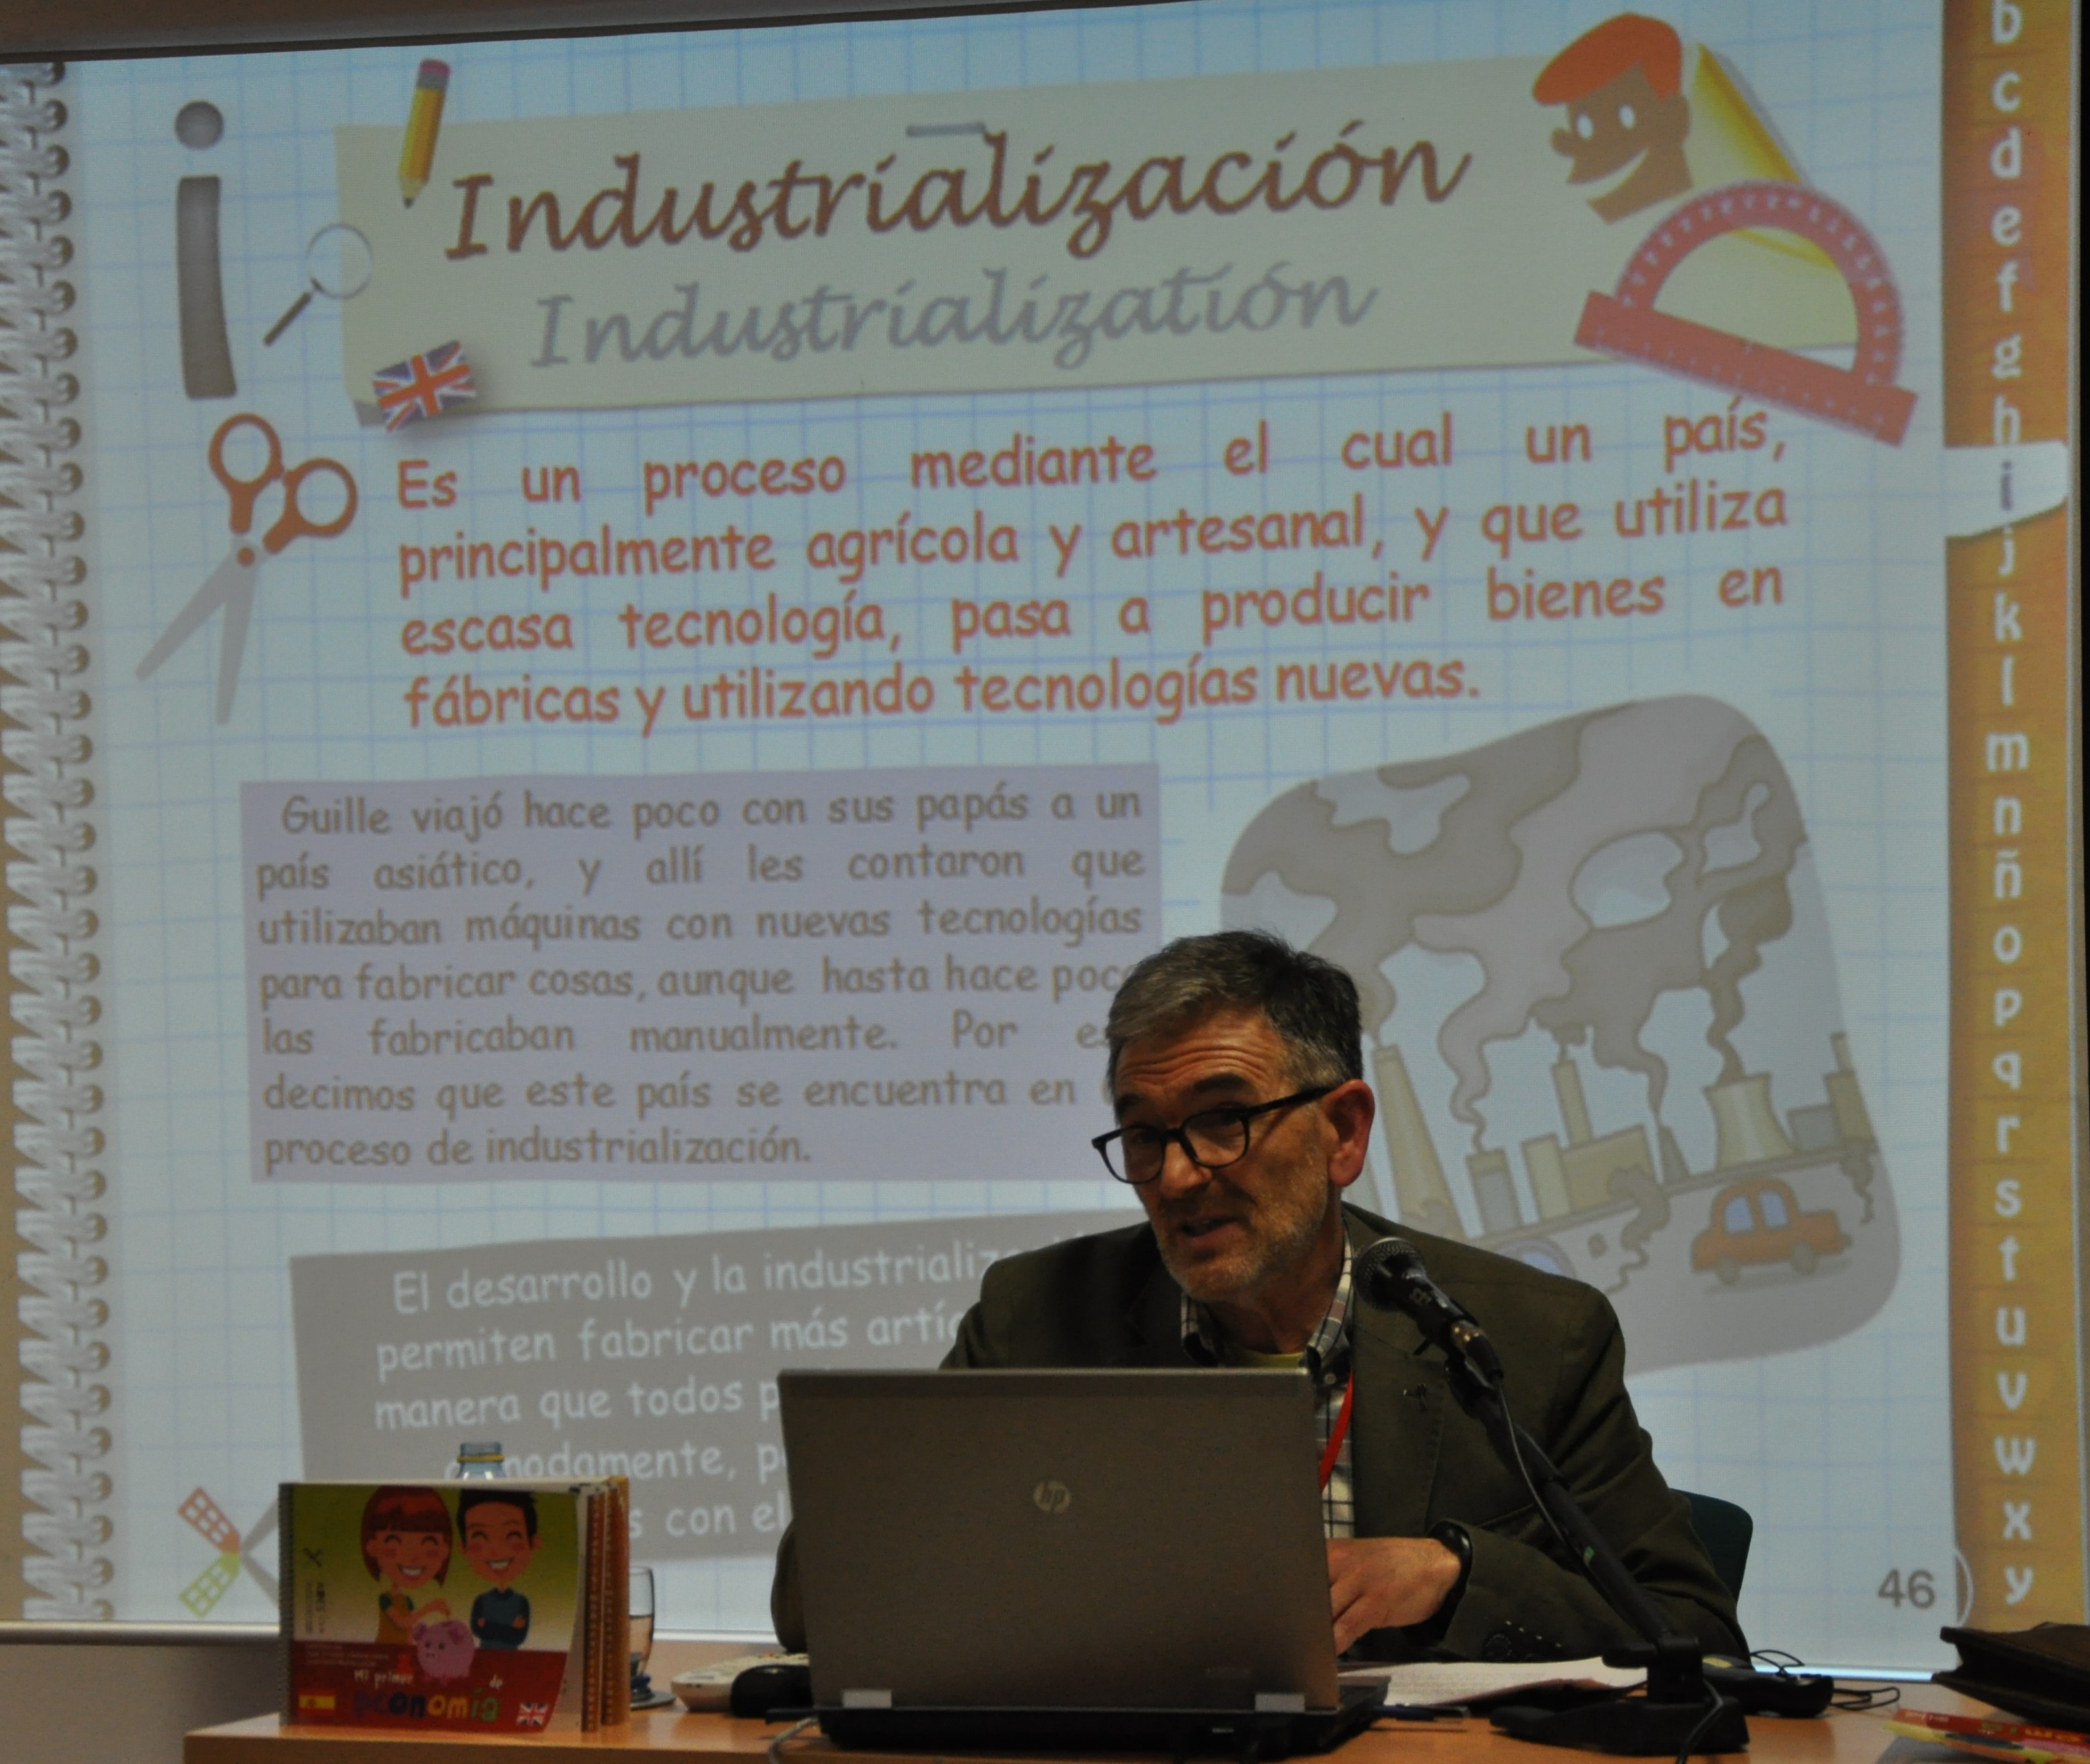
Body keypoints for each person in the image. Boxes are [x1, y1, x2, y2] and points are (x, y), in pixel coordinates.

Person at [770, 931, 1743, 1663]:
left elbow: (1694, 1633)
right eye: (1144, 1135)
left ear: (1342, 1132)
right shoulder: (1037, 1314)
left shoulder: (1527, 1337)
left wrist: (1453, 1573)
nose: (1177, 1176)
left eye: (1223, 1120)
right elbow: (817, 1602)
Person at [361, 1484, 453, 1647]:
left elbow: (409, 1630)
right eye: (394, 1542)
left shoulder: (407, 1600)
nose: (413, 1558)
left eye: (428, 1543)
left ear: (445, 1550)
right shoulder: (385, 1599)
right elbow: (403, 1623)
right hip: (384, 1651)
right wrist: (431, 1607)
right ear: (373, 1547)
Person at [459, 1488, 541, 1649]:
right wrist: (509, 1628)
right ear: (463, 1548)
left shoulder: (521, 1602)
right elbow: (477, 1630)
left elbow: (519, 1637)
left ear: (534, 1543)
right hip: (484, 1656)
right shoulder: (481, 1600)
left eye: (512, 1536)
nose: (496, 1551)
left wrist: (489, 1626)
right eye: (480, 1538)